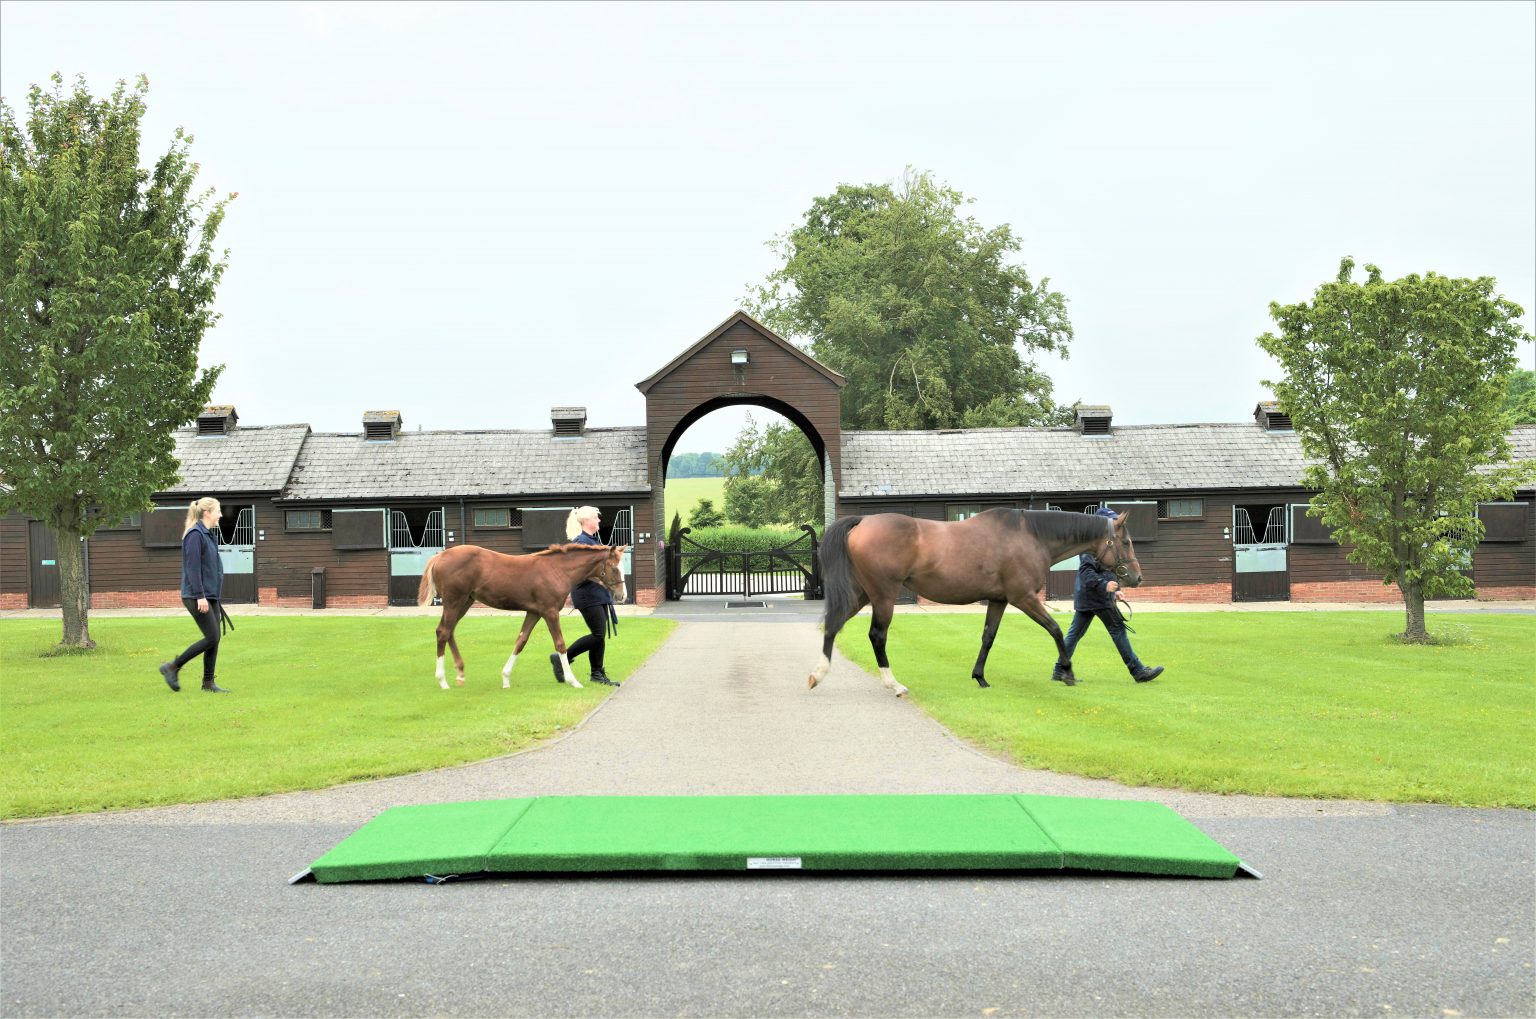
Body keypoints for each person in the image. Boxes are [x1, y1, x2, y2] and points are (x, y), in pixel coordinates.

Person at [1053, 507, 1163, 686]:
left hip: (1088, 597)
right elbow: (1086, 572)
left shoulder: (1101, 543)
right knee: (1118, 630)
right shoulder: (1090, 547)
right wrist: (1105, 585)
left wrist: (1116, 588)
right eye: (1111, 522)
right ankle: (1138, 671)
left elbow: (1107, 569)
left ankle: (1059, 670)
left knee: (1074, 634)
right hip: (1096, 597)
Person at [158, 497, 231, 693]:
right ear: (207, 513)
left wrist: (211, 595)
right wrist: (200, 596)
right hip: (196, 595)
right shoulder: (194, 535)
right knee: (212, 636)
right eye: (218, 511)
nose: (221, 515)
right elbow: (193, 568)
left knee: (214, 638)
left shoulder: (207, 535)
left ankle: (208, 684)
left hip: (210, 595)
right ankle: (172, 667)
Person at [549, 505, 620, 687]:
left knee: (600, 636)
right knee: (597, 635)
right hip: (587, 595)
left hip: (598, 595)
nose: (599, 521)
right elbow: (577, 572)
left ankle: (597, 672)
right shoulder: (581, 542)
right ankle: (561, 658)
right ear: (587, 520)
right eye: (596, 518)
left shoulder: (593, 542)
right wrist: (603, 580)